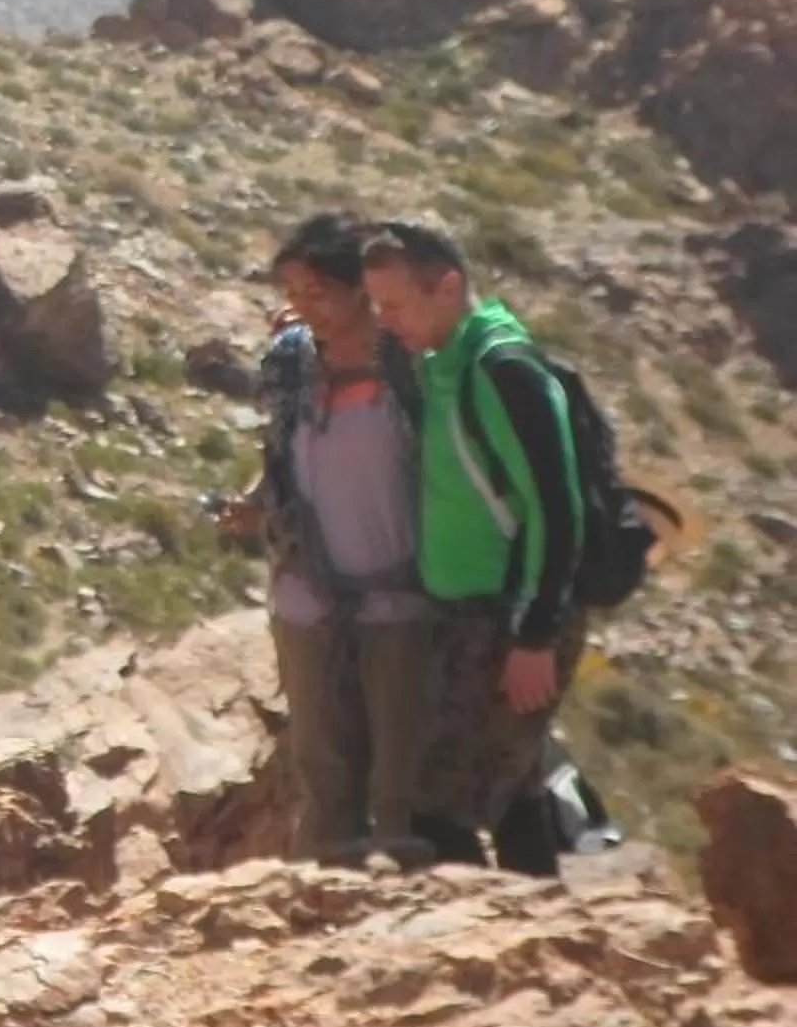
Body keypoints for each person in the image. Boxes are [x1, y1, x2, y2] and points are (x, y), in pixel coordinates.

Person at [359, 219, 591, 877]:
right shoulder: (442, 358)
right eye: (378, 305)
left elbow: (556, 505)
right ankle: (552, 948)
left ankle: (483, 949)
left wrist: (536, 635)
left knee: (437, 806)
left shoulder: (503, 367)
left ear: (449, 287)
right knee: (512, 793)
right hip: (469, 617)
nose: (387, 319)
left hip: (512, 618)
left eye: (397, 304)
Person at [224, 214, 433, 865]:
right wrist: (257, 504)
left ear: (359, 291)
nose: (301, 307)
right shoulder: (291, 362)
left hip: (398, 596)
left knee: (401, 772)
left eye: (316, 292)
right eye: (293, 293)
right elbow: (284, 447)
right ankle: (320, 901)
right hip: (305, 591)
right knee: (322, 767)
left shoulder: (412, 368)